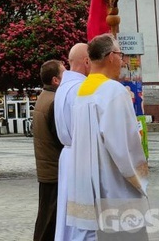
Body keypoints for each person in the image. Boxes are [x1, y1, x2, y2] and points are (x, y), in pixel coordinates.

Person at [67, 34, 149, 240]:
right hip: (115, 188)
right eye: (120, 55)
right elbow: (123, 146)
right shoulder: (113, 91)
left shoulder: (81, 92)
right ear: (110, 56)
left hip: (90, 188)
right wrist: (140, 174)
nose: (122, 61)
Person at [54, 43, 91, 241]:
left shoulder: (63, 87)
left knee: (68, 212)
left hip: (69, 154)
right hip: (81, 156)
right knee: (82, 217)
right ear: (86, 61)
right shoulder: (81, 88)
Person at [32, 60, 65, 241]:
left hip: (47, 169)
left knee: (46, 219)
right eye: (64, 72)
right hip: (54, 170)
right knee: (49, 223)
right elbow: (61, 139)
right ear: (55, 80)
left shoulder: (44, 97)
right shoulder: (54, 102)